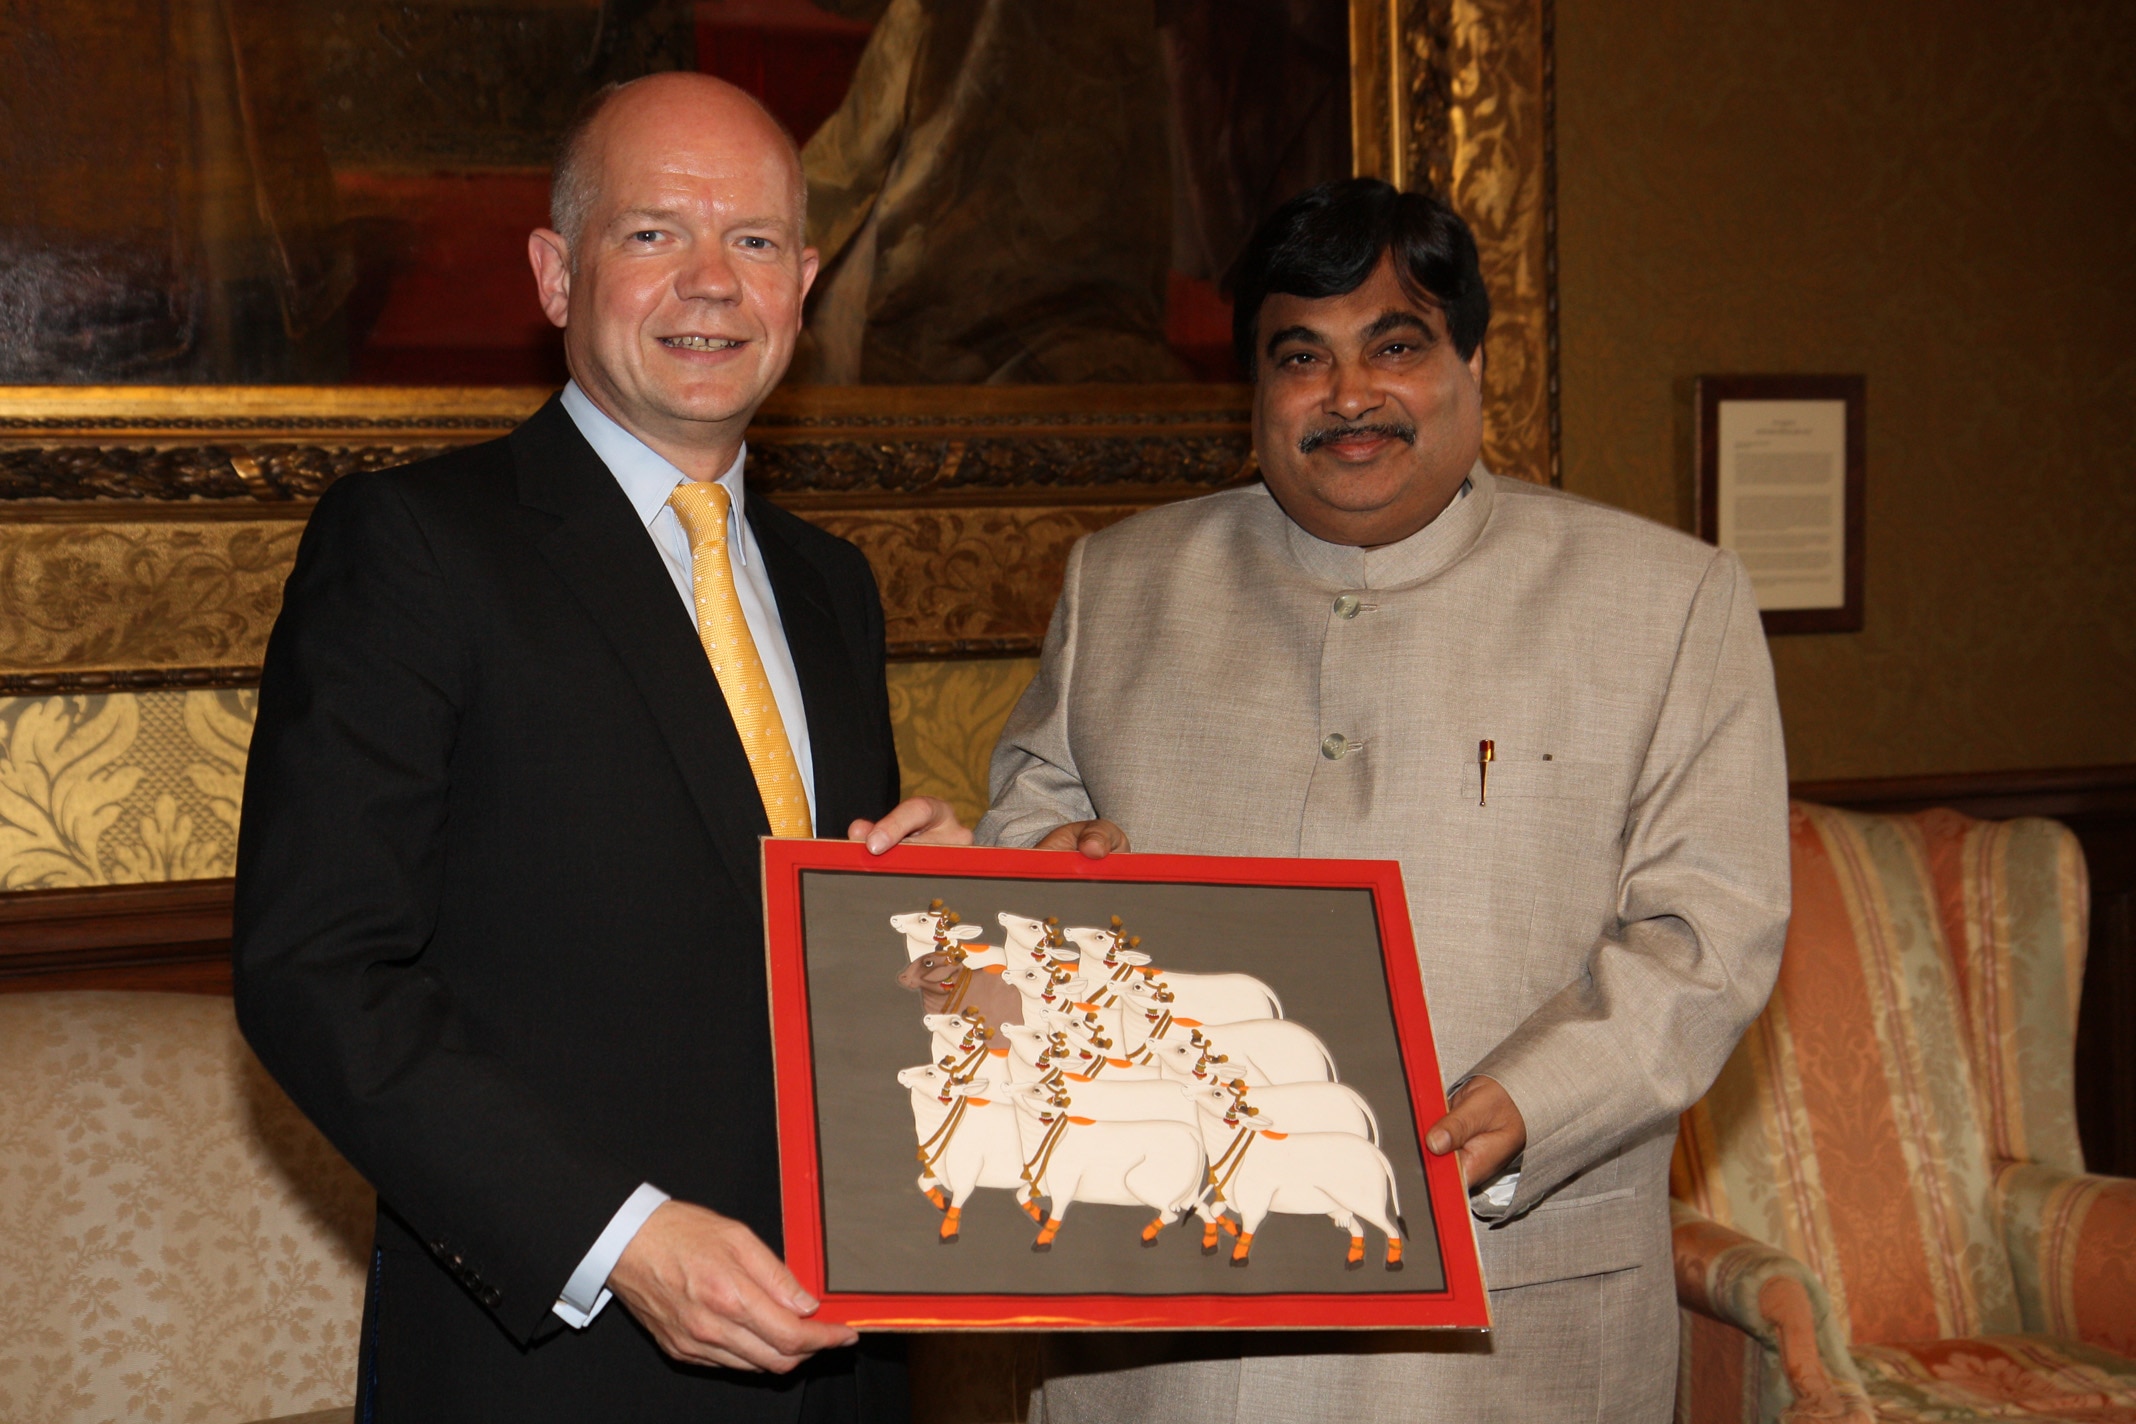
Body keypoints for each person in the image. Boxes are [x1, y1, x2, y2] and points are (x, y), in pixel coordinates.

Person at [977, 177, 1790, 1422]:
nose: (1348, 395)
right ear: (1254, 390)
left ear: (1474, 362)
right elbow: (1022, 839)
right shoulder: (1121, 583)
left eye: (1395, 345)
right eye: (1301, 356)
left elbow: (1708, 935)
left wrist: (1526, 1104)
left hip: (1504, 1311)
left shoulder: (1666, 602)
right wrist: (1050, 868)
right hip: (1165, 1336)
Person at [234, 72, 965, 1422]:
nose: (710, 283)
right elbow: (317, 970)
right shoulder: (416, 547)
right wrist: (617, 1236)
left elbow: (791, 964)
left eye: (752, 241)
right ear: (556, 274)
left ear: (802, 285)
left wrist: (936, 918)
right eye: (651, 234)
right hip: (559, 1368)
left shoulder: (830, 585)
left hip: (849, 1359)